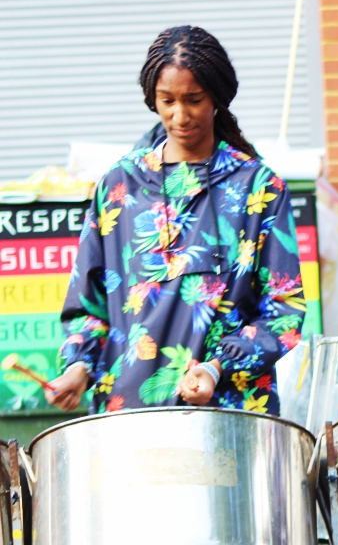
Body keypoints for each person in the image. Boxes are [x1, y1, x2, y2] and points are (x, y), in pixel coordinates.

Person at [46, 26, 305, 416]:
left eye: (194, 100)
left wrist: (217, 368)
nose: (179, 115)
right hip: (127, 416)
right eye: (167, 101)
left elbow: (283, 310)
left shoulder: (259, 187)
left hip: (232, 413)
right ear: (153, 100)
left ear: (216, 98)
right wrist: (79, 366)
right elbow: (88, 304)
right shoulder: (119, 185)